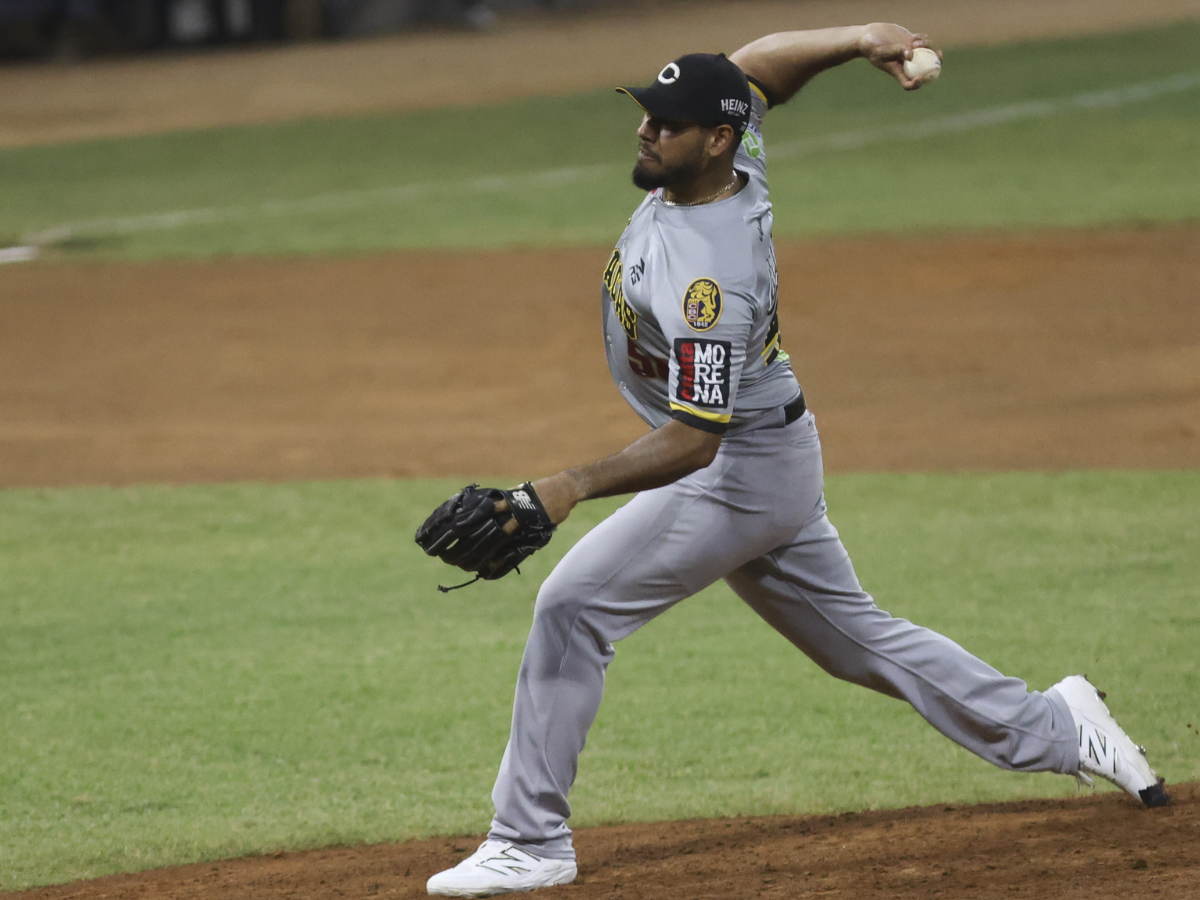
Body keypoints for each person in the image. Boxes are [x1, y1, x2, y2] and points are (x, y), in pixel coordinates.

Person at [426, 22, 1169, 898]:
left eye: (667, 124)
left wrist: (564, 488)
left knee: (573, 605)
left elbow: (695, 439)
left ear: (716, 140)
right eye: (648, 114)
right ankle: (1061, 726)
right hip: (772, 453)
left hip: (735, 470)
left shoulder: (710, 277)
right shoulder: (730, 155)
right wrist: (858, 38)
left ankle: (529, 840)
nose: (646, 131)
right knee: (859, 644)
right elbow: (754, 68)